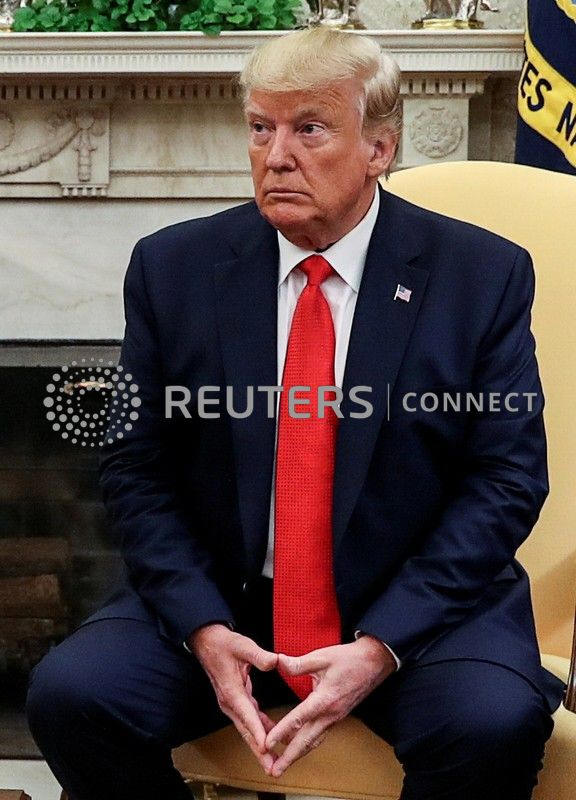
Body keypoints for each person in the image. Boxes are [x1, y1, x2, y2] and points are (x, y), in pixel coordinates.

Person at [25, 26, 566, 800]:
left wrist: (381, 644)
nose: (276, 156)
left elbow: (506, 480)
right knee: (74, 698)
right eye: (260, 128)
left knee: (490, 724)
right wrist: (202, 627)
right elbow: (135, 469)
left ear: (379, 148)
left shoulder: (480, 275)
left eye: (309, 129)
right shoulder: (174, 268)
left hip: (416, 607)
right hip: (226, 599)